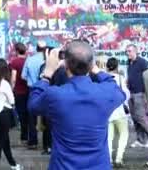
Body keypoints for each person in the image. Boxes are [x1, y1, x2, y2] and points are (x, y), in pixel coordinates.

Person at [28, 41, 126, 170]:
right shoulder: (105, 93)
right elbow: (116, 89)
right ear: (91, 64)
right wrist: (95, 69)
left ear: (66, 64)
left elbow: (33, 105)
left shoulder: (55, 95)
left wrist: (47, 74)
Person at [0, 59, 22, 170]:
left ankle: (13, 164)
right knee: (0, 142)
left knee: (4, 140)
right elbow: (12, 101)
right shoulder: (5, 84)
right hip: (4, 115)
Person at [126, 44, 148, 148]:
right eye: (127, 51)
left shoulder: (142, 62)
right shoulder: (129, 62)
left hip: (140, 93)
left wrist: (147, 94)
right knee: (135, 118)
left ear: (135, 51)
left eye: (129, 51)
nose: (127, 53)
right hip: (131, 93)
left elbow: (147, 78)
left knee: (141, 117)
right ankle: (140, 139)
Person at [106, 57, 130, 168]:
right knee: (123, 135)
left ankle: (109, 159)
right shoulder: (121, 78)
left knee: (109, 137)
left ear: (107, 66)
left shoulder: (104, 79)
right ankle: (119, 158)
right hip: (120, 112)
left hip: (107, 113)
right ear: (117, 67)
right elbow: (126, 95)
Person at [21, 41, 46, 149]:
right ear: (45, 49)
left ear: (37, 48)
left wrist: (31, 80)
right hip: (45, 89)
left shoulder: (30, 59)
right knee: (47, 116)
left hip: (32, 89)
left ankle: (33, 142)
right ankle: (47, 144)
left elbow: (23, 76)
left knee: (32, 117)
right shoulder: (47, 60)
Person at [9, 42, 29, 145]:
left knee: (21, 115)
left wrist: (12, 89)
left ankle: (24, 137)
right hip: (28, 90)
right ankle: (30, 137)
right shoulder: (28, 61)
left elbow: (13, 78)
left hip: (19, 91)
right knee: (28, 114)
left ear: (16, 51)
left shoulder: (14, 62)